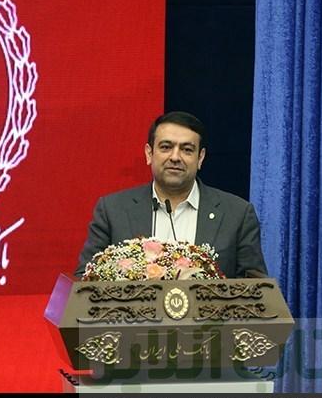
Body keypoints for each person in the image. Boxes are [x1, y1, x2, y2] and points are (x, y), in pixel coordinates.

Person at [75, 111, 267, 279]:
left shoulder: (237, 214)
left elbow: (256, 289)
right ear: (149, 153)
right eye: (166, 147)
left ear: (200, 158)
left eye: (187, 150)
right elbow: (85, 280)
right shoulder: (113, 210)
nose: (175, 157)